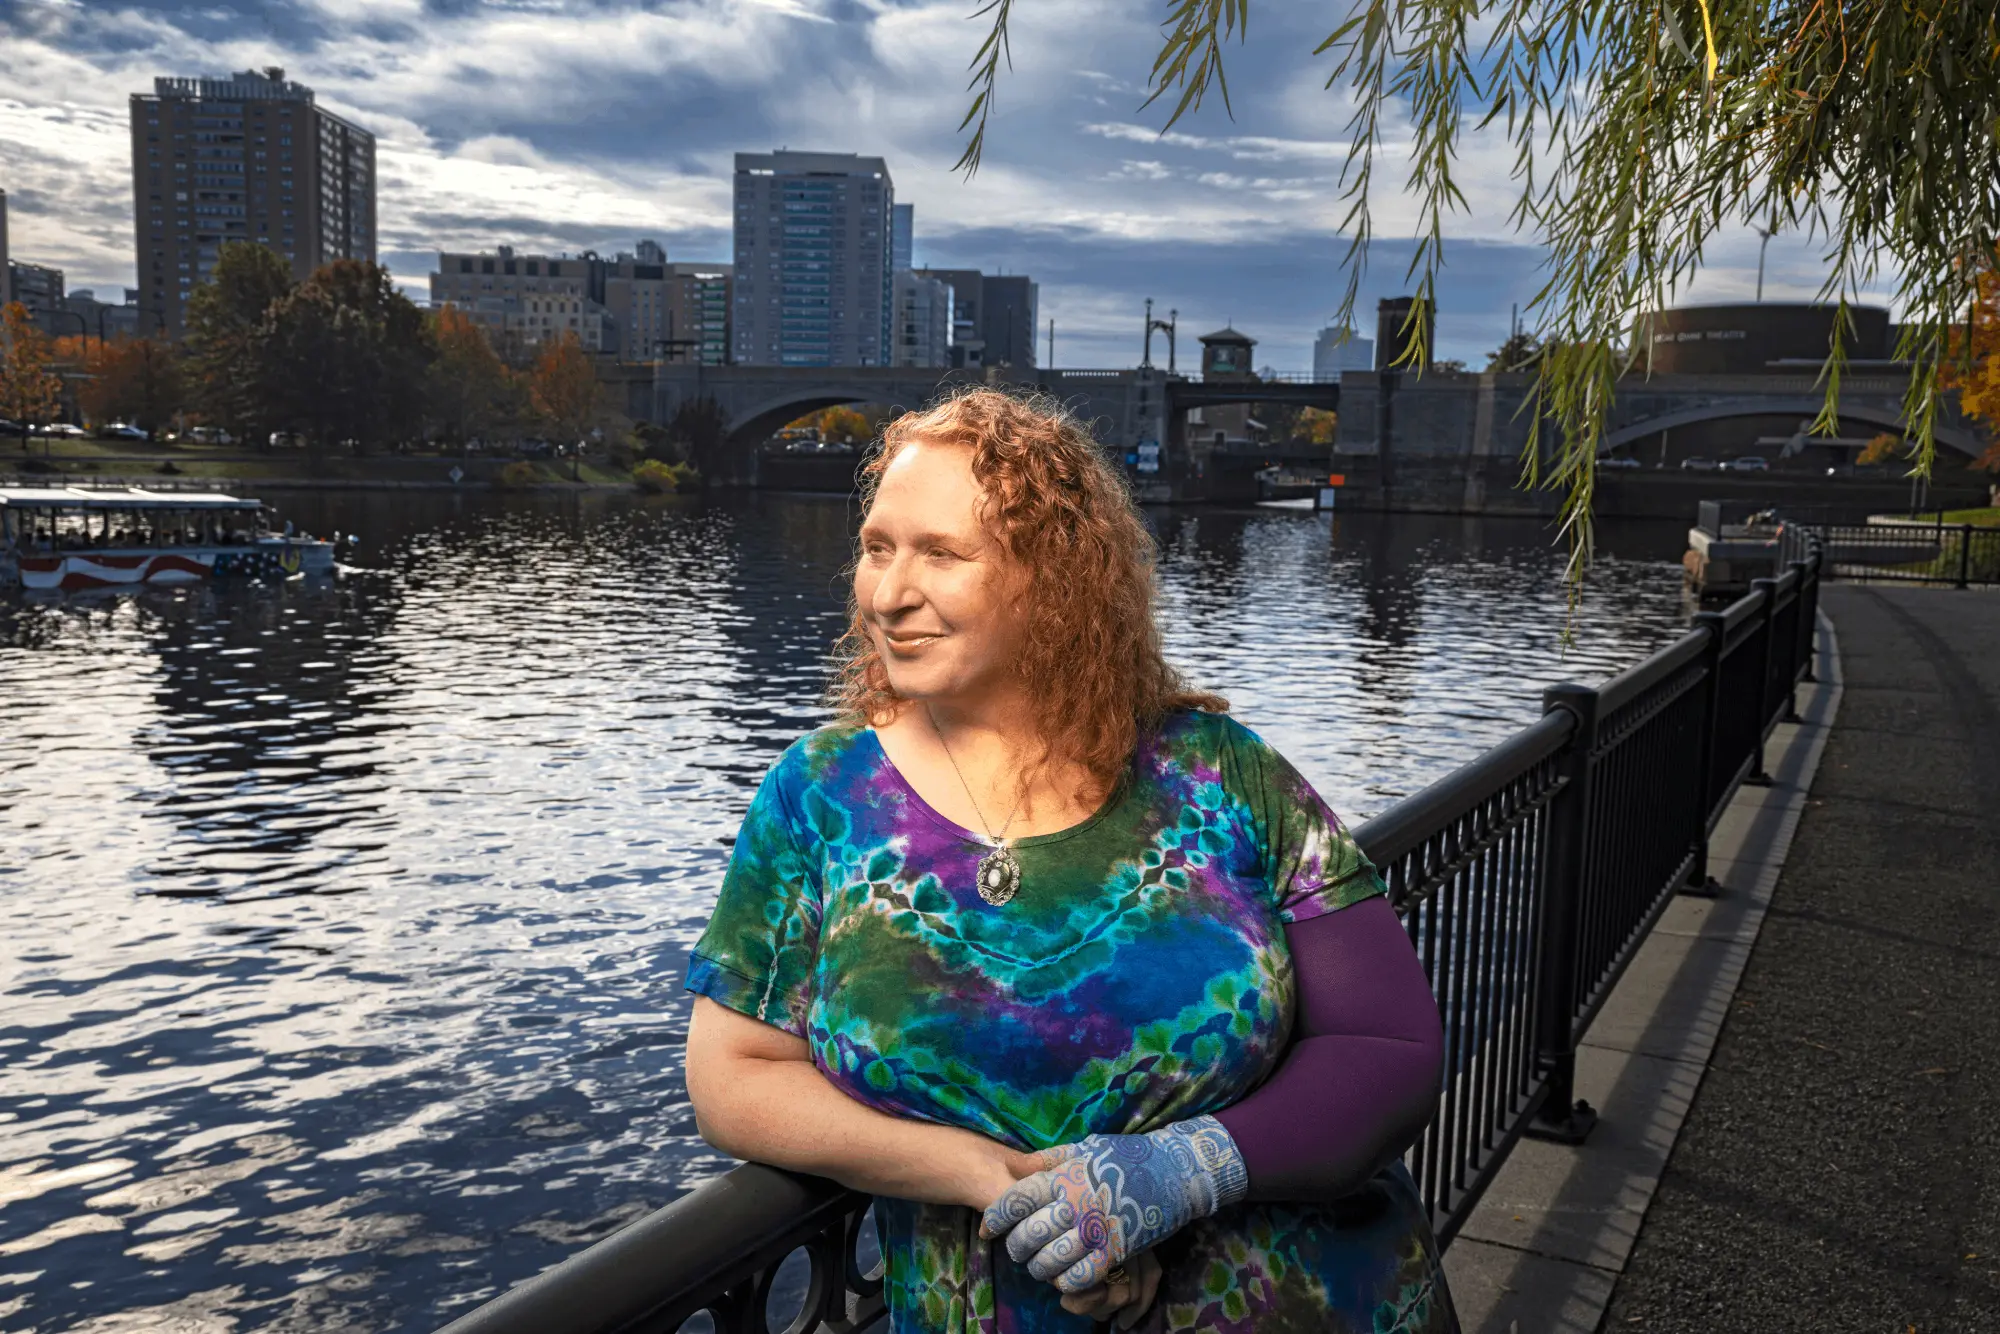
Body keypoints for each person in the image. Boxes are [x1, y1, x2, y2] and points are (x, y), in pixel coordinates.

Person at [684, 389, 1454, 1333]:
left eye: (942, 553)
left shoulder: (1223, 773)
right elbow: (735, 1076)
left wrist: (1187, 1171)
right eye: (877, 546)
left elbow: (1391, 1049)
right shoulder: (820, 798)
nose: (888, 592)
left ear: (1053, 577)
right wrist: (986, 1179)